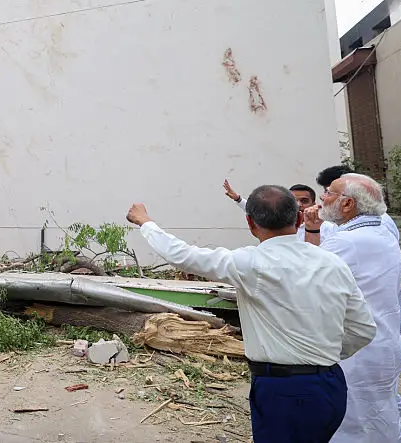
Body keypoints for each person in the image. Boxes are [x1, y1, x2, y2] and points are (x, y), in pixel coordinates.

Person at [126, 186, 376, 443]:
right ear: (299, 218)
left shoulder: (251, 263)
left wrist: (146, 222)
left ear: (250, 223)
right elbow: (364, 329)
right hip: (331, 384)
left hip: (284, 390)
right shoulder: (333, 263)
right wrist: (323, 356)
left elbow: (183, 256)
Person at [315, 165, 401, 432]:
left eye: (329, 193)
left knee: (356, 427)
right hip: (384, 343)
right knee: (383, 423)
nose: (322, 198)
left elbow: (308, 285)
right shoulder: (382, 230)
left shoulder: (346, 242)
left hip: (358, 352)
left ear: (347, 204)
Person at [223, 180, 336, 244]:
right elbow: (260, 210)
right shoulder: (280, 224)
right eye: (294, 201)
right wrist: (238, 199)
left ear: (314, 203)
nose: (298, 205)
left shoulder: (329, 229)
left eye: (304, 201)